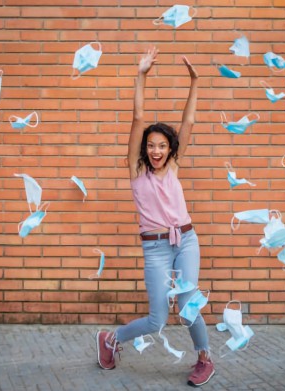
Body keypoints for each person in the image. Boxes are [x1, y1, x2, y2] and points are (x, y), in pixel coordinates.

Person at [96, 47, 215, 387]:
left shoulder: (174, 166)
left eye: (162, 145)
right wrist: (141, 76)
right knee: (157, 319)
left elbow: (188, 121)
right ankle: (110, 339)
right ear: (144, 148)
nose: (157, 151)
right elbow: (137, 119)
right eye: (151, 145)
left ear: (170, 148)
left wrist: (194, 82)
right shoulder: (135, 171)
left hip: (186, 241)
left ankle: (205, 359)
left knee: (188, 305)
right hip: (156, 249)